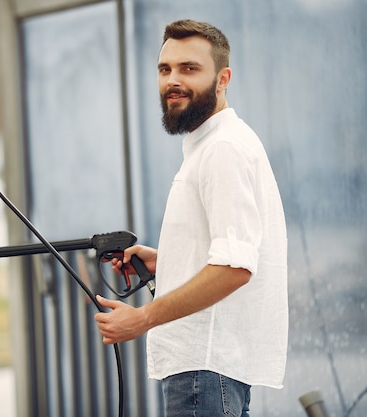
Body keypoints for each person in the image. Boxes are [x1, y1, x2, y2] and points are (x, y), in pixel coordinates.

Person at [94, 19, 288, 417]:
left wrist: (142, 318)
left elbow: (235, 268)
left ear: (223, 78)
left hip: (203, 370)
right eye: (165, 69)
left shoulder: (223, 149)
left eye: (189, 68)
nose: (173, 80)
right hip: (208, 370)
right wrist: (168, 262)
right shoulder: (212, 146)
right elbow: (233, 252)